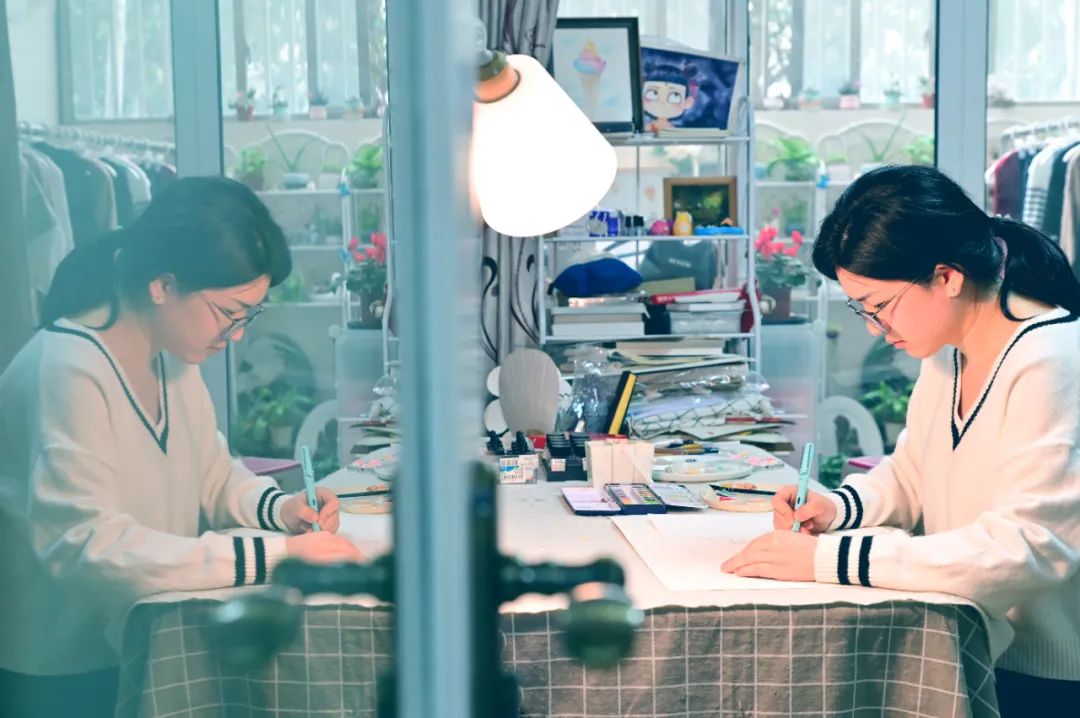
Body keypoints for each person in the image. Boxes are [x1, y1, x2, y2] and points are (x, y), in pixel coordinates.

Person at [722, 165, 1080, 714]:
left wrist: (828, 557)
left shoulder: (1052, 360)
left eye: (879, 306)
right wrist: (837, 509)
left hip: (1046, 676)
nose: (874, 327)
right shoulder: (949, 351)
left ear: (947, 277)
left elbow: (1028, 547)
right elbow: (913, 473)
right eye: (861, 309)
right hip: (972, 641)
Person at [0, 176, 363, 718]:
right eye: (230, 313)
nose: (236, 335)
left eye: (249, 316)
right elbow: (87, 546)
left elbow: (212, 473)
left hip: (136, 635)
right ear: (162, 286)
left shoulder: (169, 355)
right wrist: (278, 555)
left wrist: (281, 509)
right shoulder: (68, 368)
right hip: (61, 670)